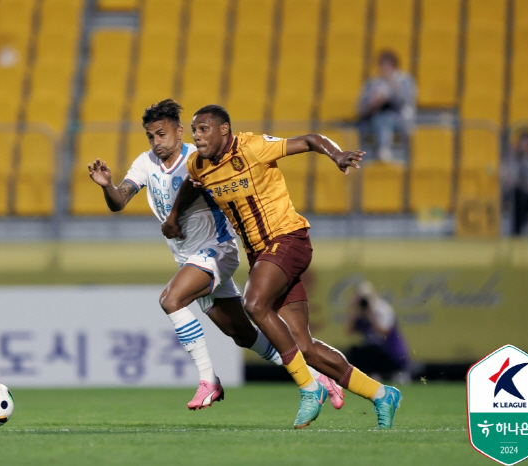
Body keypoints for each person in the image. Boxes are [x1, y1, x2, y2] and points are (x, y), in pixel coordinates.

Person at [88, 99, 343, 411]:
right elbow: (120, 200)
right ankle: (316, 376)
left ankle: (209, 380)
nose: (156, 142)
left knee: (171, 300)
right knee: (243, 334)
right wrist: (107, 186)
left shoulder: (199, 158)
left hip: (216, 249)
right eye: (150, 136)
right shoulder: (145, 163)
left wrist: (175, 217)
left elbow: (221, 183)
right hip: (188, 259)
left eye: (161, 134)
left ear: (179, 132)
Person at [162, 105, 401, 429]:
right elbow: (192, 184)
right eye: (194, 129)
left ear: (224, 130)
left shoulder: (254, 147)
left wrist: (336, 155)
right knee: (305, 347)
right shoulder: (199, 164)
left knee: (253, 303)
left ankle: (308, 389)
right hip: (263, 255)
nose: (197, 136)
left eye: (204, 128)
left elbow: (310, 139)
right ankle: (381, 394)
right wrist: (174, 216)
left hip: (288, 239)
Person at [357, 50, 416, 162]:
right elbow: (360, 108)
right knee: (376, 121)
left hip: (400, 119)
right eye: (382, 65)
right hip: (374, 119)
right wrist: (373, 103)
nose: (384, 69)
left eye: (387, 66)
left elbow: (406, 100)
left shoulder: (405, 80)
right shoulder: (373, 83)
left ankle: (384, 150)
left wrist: (391, 87)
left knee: (385, 119)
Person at [346, 281, 409, 382]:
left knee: (372, 351)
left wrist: (370, 316)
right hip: (374, 355)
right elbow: (349, 331)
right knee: (354, 352)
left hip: (389, 352)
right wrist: (352, 309)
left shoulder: (382, 309)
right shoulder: (361, 312)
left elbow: (384, 332)